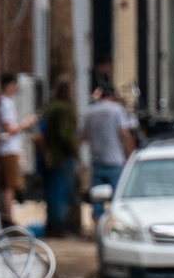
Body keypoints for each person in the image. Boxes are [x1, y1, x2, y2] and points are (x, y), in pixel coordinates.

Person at [81, 84, 138, 224]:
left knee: (97, 199)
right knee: (117, 198)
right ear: (113, 96)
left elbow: (84, 135)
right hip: (115, 161)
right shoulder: (117, 110)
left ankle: (98, 227)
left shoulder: (90, 111)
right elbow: (123, 133)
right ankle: (115, 226)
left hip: (97, 160)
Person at [39, 78, 81, 238]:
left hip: (50, 157)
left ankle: (51, 224)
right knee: (62, 192)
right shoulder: (64, 109)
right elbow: (65, 135)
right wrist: (74, 149)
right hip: (62, 157)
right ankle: (59, 227)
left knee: (52, 192)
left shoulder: (51, 107)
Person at [0, 74, 28, 204]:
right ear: (8, 86)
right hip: (9, 149)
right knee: (10, 186)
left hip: (5, 148)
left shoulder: (1, 103)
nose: (17, 87)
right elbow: (9, 129)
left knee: (8, 186)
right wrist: (25, 124)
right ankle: (9, 219)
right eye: (14, 84)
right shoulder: (6, 104)